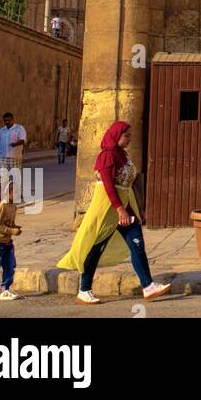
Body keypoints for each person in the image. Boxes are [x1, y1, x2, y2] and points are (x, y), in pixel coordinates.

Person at [57, 121, 171, 304]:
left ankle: (148, 286)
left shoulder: (122, 155)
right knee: (95, 248)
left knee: (137, 243)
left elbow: (127, 186)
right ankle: (84, 290)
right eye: (126, 136)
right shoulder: (107, 156)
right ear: (116, 135)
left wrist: (137, 210)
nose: (129, 139)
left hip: (125, 208)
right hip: (108, 210)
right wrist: (119, 210)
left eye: (130, 136)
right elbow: (109, 186)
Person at [0, 112, 26, 201]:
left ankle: (17, 193)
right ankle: (1, 194)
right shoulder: (1, 130)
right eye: (5, 120)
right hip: (2, 157)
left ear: (12, 119)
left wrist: (15, 144)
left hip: (14, 157)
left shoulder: (19, 128)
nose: (7, 122)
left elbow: (23, 140)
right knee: (1, 176)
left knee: (15, 176)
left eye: (9, 120)